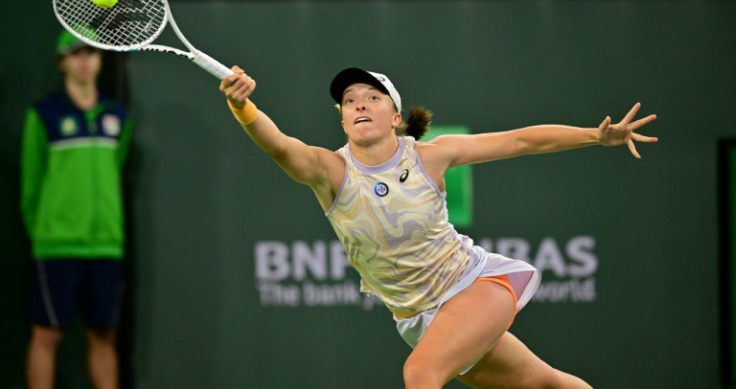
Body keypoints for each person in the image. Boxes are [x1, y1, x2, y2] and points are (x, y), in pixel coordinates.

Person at [219, 65, 657, 389]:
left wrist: (595, 136)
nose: (359, 104)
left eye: (372, 97)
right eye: (350, 101)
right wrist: (242, 104)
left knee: (420, 373)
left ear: (395, 117)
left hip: (475, 285)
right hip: (417, 317)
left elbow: (521, 140)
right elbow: (278, 145)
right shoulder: (329, 170)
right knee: (546, 385)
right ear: (343, 120)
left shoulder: (430, 156)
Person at [20, 29, 131, 389]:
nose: (84, 61)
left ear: (100, 59)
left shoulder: (118, 116)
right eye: (75, 53)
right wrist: (44, 233)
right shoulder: (44, 115)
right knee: (47, 335)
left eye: (91, 53)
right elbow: (31, 186)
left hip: (106, 245)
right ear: (61, 62)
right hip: (57, 245)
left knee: (103, 335)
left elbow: (117, 169)